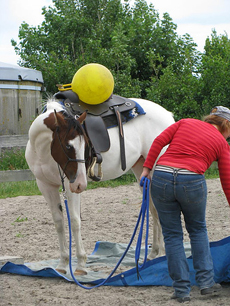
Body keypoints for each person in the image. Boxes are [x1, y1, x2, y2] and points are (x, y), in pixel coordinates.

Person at [140, 106, 230, 303]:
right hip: (191, 181)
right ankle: (206, 284)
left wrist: (147, 169)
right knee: (198, 230)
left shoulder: (185, 122)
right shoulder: (222, 144)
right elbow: (227, 180)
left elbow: (159, 141)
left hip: (162, 176)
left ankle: (181, 290)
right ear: (226, 125)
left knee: (172, 235)